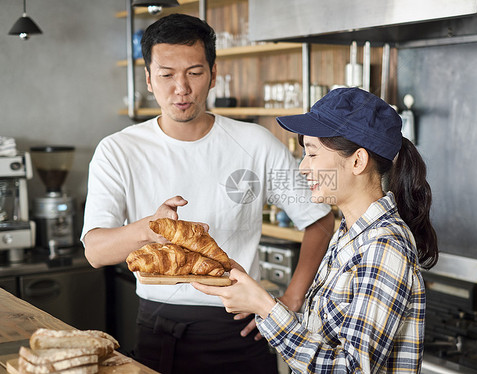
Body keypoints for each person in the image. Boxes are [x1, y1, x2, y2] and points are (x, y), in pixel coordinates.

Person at [81, 13, 334, 374]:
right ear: (149, 79)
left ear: (213, 75)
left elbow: (320, 220)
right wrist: (150, 229)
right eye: (167, 74)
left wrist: (293, 297)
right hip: (158, 328)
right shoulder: (117, 150)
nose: (181, 88)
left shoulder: (256, 142)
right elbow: (95, 251)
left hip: (241, 328)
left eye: (194, 73)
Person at [194, 87, 439, 373]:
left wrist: (265, 308)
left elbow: (351, 369)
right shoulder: (349, 234)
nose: (302, 167)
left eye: (312, 154)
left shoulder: (384, 246)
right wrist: (257, 296)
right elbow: (320, 337)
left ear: (358, 161)